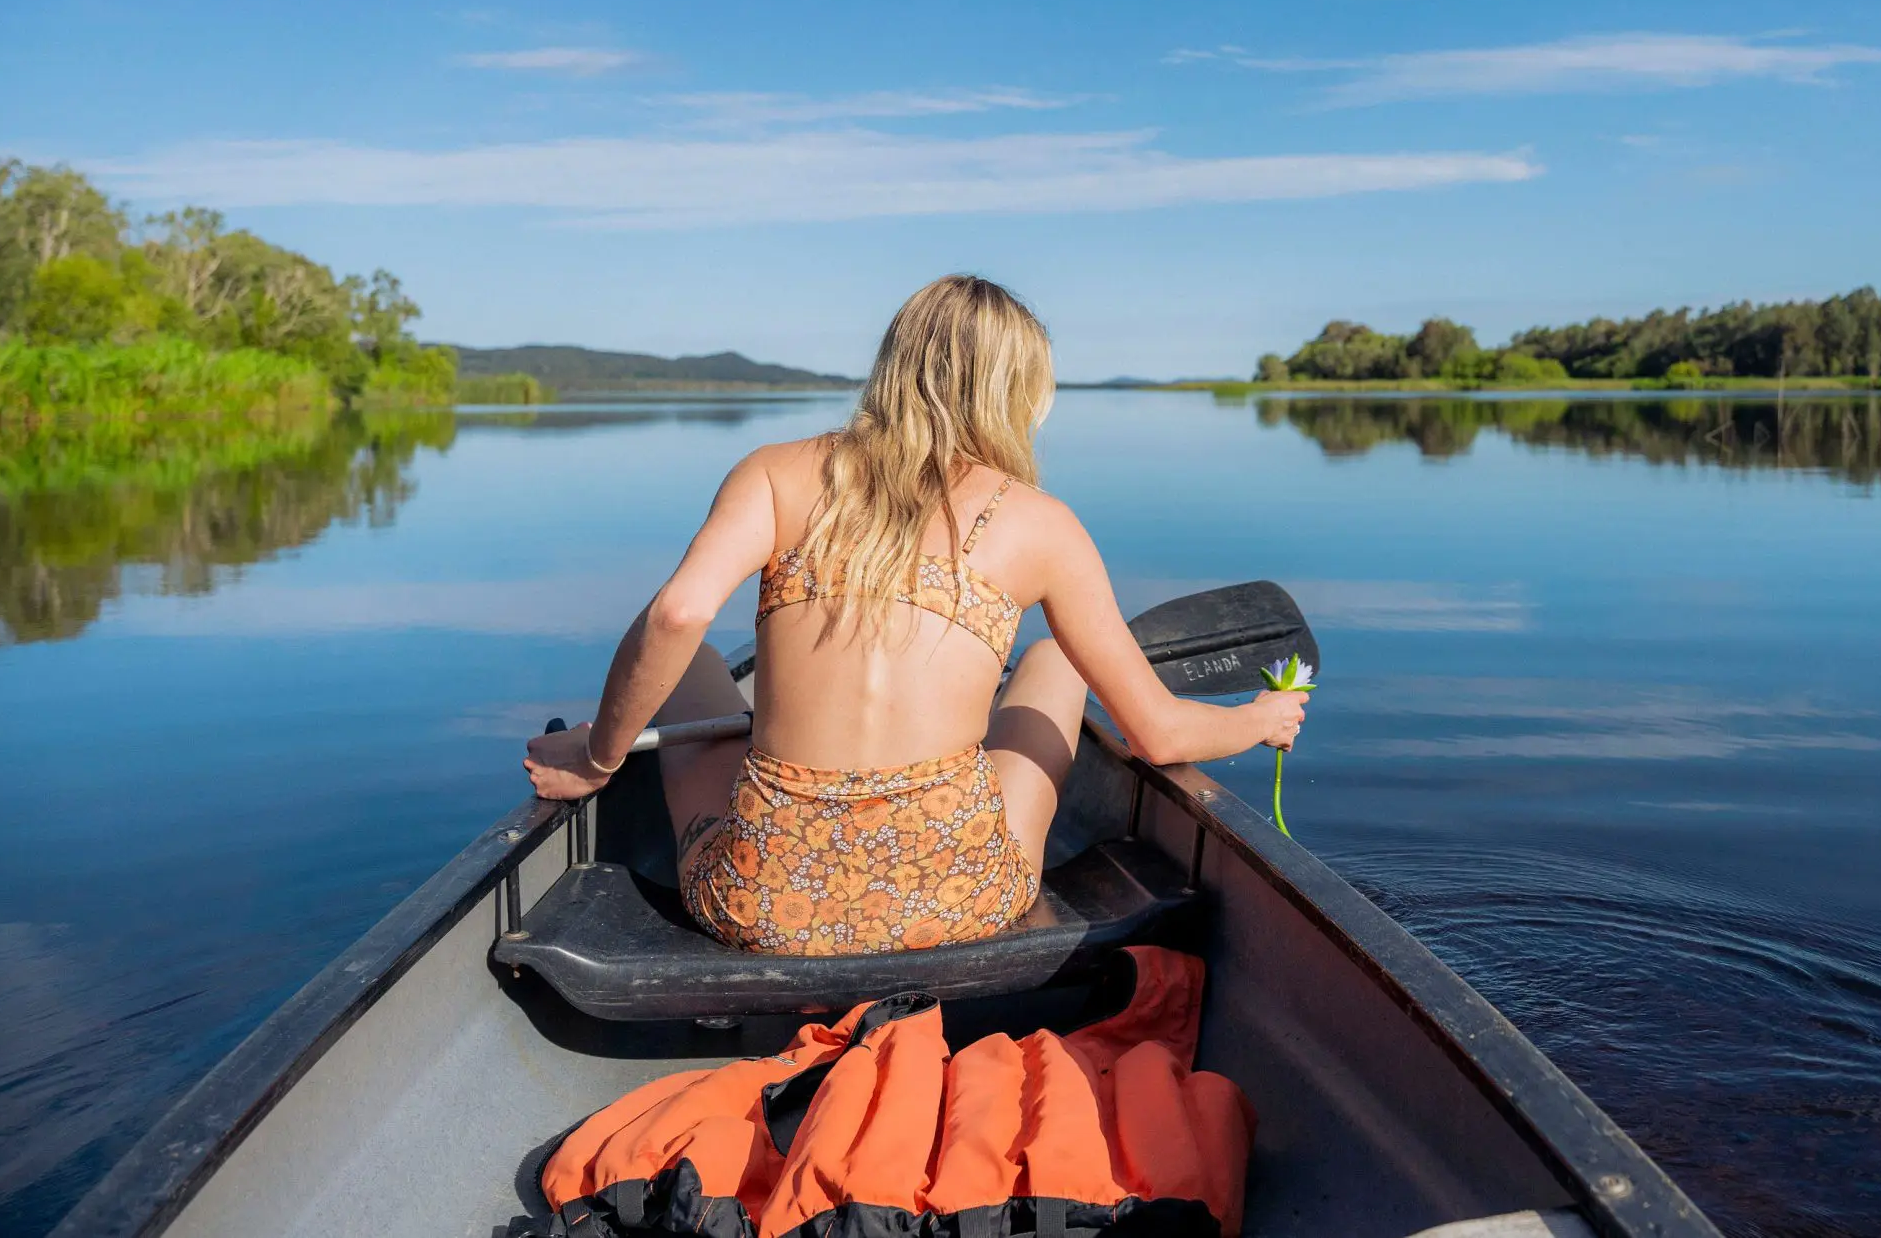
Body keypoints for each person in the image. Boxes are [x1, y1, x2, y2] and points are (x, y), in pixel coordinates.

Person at [523, 274, 1309, 957]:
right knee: (1055, 661)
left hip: (765, 907)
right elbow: (1160, 733)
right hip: (959, 900)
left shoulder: (774, 472)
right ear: (1017, 394)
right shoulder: (1040, 523)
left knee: (688, 659)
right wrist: (1258, 718)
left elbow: (677, 614)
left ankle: (713, 747)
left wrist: (597, 755)